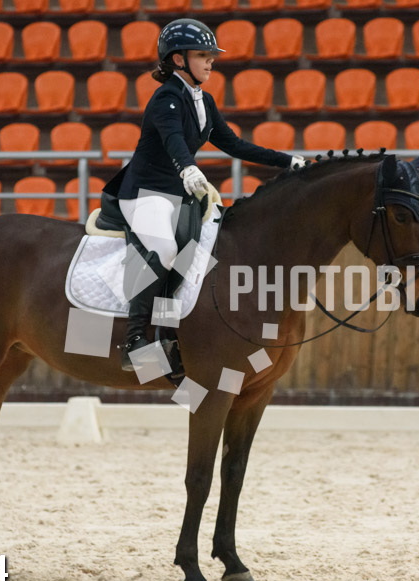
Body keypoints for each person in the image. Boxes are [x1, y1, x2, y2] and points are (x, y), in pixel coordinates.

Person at [106, 18, 305, 371]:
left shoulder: (203, 100)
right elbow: (173, 140)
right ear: (178, 59)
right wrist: (187, 167)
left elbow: (234, 144)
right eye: (202, 55)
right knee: (164, 250)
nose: (211, 61)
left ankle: (167, 330)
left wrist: (286, 161)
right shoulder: (166, 98)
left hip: (178, 195)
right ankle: (135, 341)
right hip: (145, 193)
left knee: (196, 254)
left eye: (211, 55)